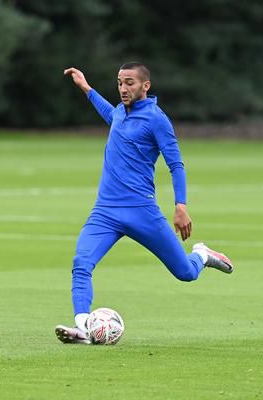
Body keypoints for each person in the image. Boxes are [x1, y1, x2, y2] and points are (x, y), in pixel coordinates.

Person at [55, 63, 233, 344]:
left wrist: (181, 206)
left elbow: (176, 165)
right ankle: (84, 327)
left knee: (185, 273)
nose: (123, 89)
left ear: (145, 86)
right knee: (82, 262)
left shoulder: (156, 119)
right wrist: (87, 89)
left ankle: (201, 255)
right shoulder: (119, 113)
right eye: (119, 83)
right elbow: (109, 113)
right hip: (105, 211)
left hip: (142, 212)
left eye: (129, 83)